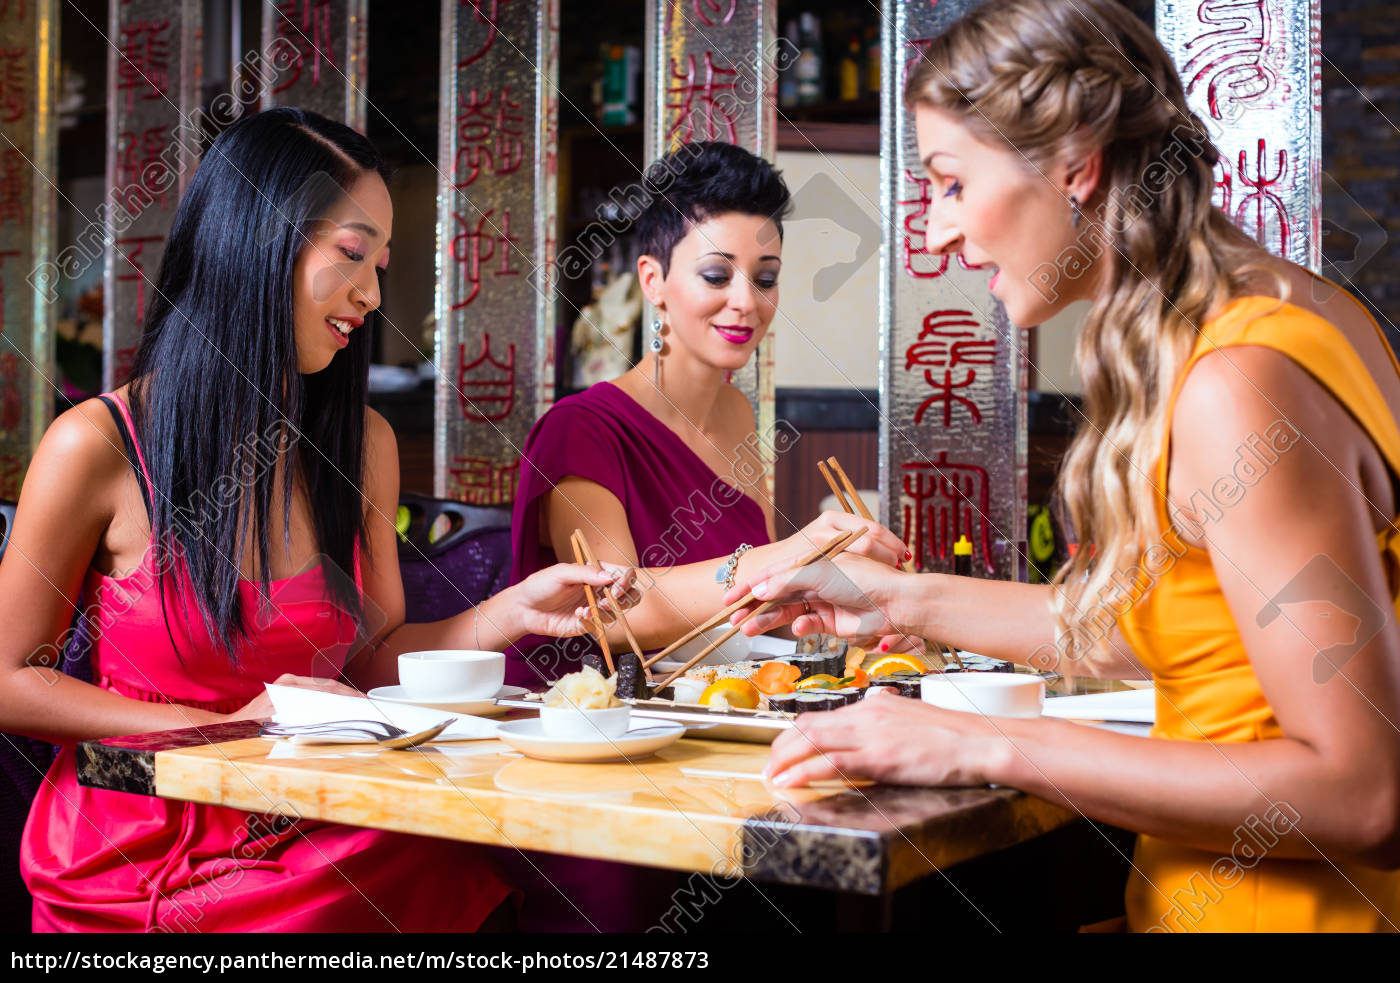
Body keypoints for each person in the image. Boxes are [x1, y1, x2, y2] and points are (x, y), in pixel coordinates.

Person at [725, 0, 1400, 932]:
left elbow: (1364, 793)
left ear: (1077, 166)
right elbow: (1197, 633)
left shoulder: (1237, 382)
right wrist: (901, 599)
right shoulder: (1310, 312)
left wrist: (984, 742)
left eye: (952, 184)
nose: (935, 233)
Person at [1, 107, 630, 932]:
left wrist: (509, 611)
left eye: (382, 263)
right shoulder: (97, 444)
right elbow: (12, 678)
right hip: (146, 836)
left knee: (459, 853)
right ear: (257, 245)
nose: (372, 294)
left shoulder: (358, 442)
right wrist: (228, 724)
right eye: (352, 255)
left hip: (310, 810)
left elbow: (371, 657)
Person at [510, 141, 908, 686]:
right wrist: (789, 556)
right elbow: (616, 615)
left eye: (765, 279)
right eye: (717, 276)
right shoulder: (579, 429)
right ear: (653, 281)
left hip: (718, 705)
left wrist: (852, 593)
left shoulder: (738, 411)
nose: (747, 301)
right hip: (603, 722)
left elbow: (749, 608)